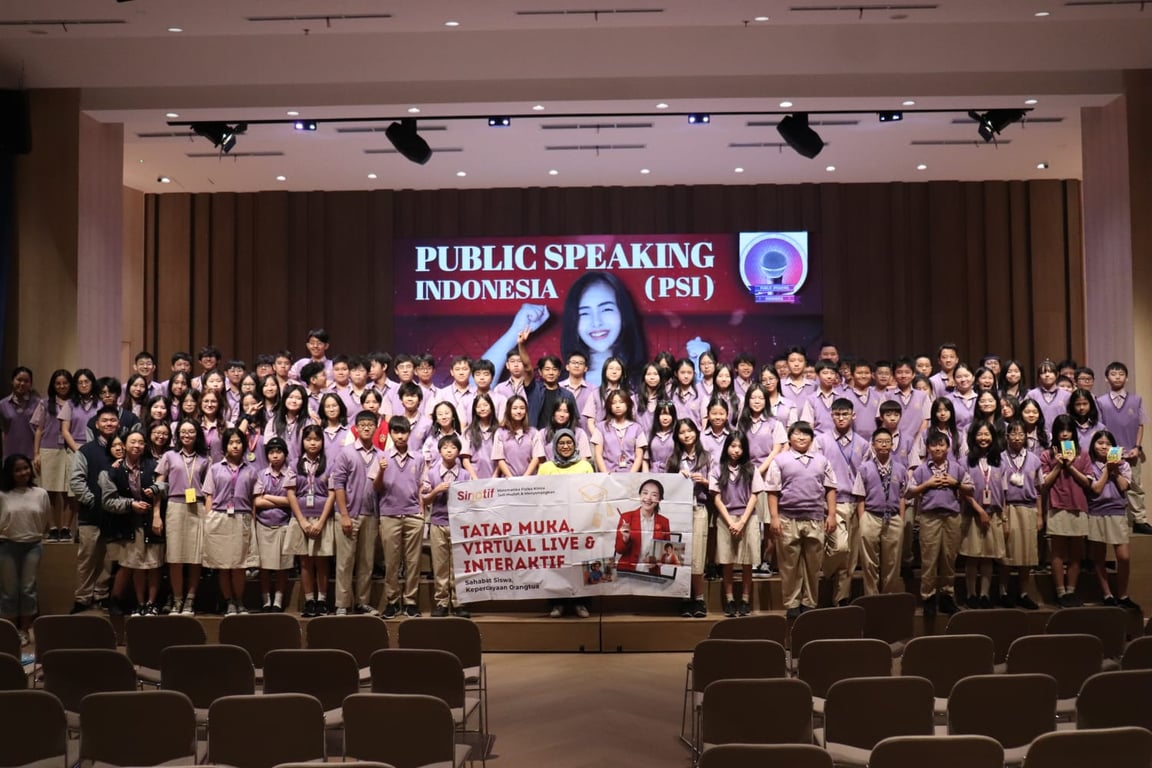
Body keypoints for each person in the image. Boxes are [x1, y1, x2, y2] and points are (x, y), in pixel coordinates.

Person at [765, 422, 838, 618]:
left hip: (815, 518)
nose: (801, 438)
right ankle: (792, 603)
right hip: (788, 518)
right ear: (790, 438)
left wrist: (831, 514)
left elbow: (831, 488)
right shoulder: (780, 460)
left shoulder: (822, 460)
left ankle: (809, 602)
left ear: (812, 438)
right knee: (789, 565)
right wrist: (774, 517)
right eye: (797, 434)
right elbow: (772, 490)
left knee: (814, 565)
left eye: (805, 434)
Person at [99, 428, 165, 615]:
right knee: (132, 564)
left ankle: (151, 603)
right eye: (132, 442)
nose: (136, 445)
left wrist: (157, 487)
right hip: (127, 524)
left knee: (153, 563)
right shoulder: (112, 471)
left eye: (140, 442)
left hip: (151, 521)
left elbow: (165, 485)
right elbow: (108, 501)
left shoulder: (154, 465)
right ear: (124, 445)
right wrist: (131, 504)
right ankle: (134, 602)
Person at [330, 411, 384, 616]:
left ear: (376, 427)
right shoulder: (346, 453)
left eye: (371, 424)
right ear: (356, 428)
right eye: (363, 424)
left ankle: (363, 602)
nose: (367, 428)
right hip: (348, 514)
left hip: (370, 514)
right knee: (345, 561)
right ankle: (342, 603)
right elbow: (338, 485)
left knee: (367, 561)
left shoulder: (381, 455)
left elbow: (380, 487)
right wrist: (344, 515)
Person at [155, 419, 210, 615]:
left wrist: (209, 515)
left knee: (195, 558)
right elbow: (158, 486)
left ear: (197, 435)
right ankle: (177, 599)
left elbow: (210, 490)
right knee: (175, 557)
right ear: (178, 434)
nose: (187, 435)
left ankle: (190, 600)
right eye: (183, 432)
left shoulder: (205, 459)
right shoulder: (169, 456)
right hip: (175, 506)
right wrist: (156, 514)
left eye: (191, 432)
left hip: (198, 507)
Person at [908, 431, 965, 620]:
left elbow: (970, 488)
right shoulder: (922, 470)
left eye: (942, 445)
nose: (938, 448)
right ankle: (928, 597)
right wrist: (928, 484)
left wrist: (954, 483)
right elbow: (909, 492)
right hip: (929, 517)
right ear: (928, 448)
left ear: (948, 448)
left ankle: (947, 596)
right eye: (934, 445)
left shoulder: (956, 468)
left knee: (949, 558)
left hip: (952, 517)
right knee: (929, 559)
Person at [203, 428, 260, 615]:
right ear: (225, 446)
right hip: (219, 517)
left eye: (238, 442)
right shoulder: (215, 468)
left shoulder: (251, 470)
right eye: (231, 442)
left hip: (242, 518)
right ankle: (229, 602)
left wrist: (251, 519)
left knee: (239, 565)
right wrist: (209, 517)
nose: (235, 446)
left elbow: (255, 499)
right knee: (223, 566)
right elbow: (209, 495)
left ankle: (240, 600)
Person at [374, 416, 426, 619]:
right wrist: (381, 470)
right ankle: (393, 601)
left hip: (413, 515)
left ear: (408, 433)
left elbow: (423, 486)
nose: (400, 435)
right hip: (390, 515)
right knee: (391, 562)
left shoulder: (419, 457)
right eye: (396, 432)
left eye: (403, 431)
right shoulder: (382, 457)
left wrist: (421, 512)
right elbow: (376, 488)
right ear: (391, 434)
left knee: (413, 562)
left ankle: (411, 602)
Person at [539, 428, 594, 619]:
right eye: (561, 443)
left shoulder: (586, 466)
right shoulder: (545, 468)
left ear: (575, 444)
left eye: (569, 443)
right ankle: (557, 603)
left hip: (581, 523)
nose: (565, 446)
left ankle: (581, 602)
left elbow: (592, 493)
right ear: (554, 445)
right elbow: (539, 497)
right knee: (556, 564)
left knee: (581, 563)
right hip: (555, 525)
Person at [1083, 429, 1139, 610]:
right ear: (1093, 445)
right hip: (1096, 511)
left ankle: (1122, 594)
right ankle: (1107, 593)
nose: (1104, 447)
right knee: (1098, 556)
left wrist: (1114, 470)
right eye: (1100, 443)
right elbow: (1096, 489)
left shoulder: (1123, 465)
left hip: (1117, 511)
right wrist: (1107, 468)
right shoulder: (1089, 465)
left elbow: (1124, 487)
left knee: (1123, 556)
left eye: (1108, 444)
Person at [710, 431, 764, 616]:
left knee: (748, 562)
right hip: (726, 519)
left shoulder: (751, 469)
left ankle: (746, 600)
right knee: (727, 561)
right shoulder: (717, 469)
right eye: (733, 446)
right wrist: (730, 521)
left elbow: (755, 496)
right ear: (726, 447)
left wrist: (741, 521)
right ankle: (730, 599)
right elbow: (716, 498)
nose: (736, 450)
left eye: (740, 447)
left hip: (747, 518)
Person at [1095, 362, 1152, 535]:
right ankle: (1121, 521)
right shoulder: (1100, 401)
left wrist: (1137, 447)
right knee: (1112, 487)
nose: (1117, 377)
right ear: (1106, 378)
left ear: (1126, 378)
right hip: (1110, 453)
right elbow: (1099, 427)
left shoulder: (1136, 400)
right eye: (1113, 374)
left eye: (1121, 374)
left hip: (1131, 451)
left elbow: (1140, 425)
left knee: (1135, 486)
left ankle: (1139, 520)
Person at [1041, 414, 1091, 607]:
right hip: (1056, 505)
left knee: (1077, 552)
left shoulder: (1082, 454)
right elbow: (1044, 484)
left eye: (1068, 430)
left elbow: (1087, 482)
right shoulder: (1047, 455)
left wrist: (1070, 466)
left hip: (1078, 506)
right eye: (1061, 430)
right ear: (1055, 433)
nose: (1064, 434)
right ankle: (1060, 592)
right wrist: (1059, 464)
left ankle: (1071, 591)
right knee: (1058, 552)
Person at [0, 454, 50, 646]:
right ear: (10, 473)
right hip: (7, 545)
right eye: (18, 470)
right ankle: (10, 630)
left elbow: (45, 519)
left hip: (33, 545)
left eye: (26, 468)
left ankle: (24, 630)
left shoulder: (40, 493)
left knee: (28, 589)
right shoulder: (3, 495)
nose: (23, 473)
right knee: (9, 591)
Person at [286, 424, 336, 617]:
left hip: (322, 518)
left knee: (322, 561)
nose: (312, 443)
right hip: (301, 519)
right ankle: (309, 601)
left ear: (322, 442)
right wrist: (303, 522)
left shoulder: (330, 464)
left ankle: (322, 601)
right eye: (309, 439)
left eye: (316, 439)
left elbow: (332, 494)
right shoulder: (294, 464)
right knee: (305, 561)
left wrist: (321, 522)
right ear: (303, 442)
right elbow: (290, 493)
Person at [420, 434, 471, 618]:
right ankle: (441, 602)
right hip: (437, 523)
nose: (449, 450)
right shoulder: (432, 473)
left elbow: (473, 500)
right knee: (440, 566)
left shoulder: (465, 474)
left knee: (458, 566)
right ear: (439, 451)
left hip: (459, 525)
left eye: (453, 447)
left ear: (458, 451)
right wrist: (436, 490)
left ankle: (459, 603)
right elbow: (424, 500)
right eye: (445, 447)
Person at [852, 428, 907, 595]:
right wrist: (863, 520)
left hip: (893, 518)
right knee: (870, 563)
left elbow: (903, 496)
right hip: (870, 517)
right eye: (880, 441)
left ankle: (889, 597)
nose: (884, 444)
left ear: (892, 444)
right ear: (873, 445)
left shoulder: (900, 469)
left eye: (887, 441)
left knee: (892, 562)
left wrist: (902, 520)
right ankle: (872, 597)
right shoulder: (865, 468)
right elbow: (860, 497)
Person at [959, 422, 1007, 609]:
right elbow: (963, 491)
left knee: (988, 556)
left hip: (993, 513)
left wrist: (1003, 517)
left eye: (987, 434)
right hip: (972, 514)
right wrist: (979, 511)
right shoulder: (965, 462)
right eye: (980, 434)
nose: (983, 438)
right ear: (973, 437)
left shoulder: (1000, 461)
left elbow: (1004, 491)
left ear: (993, 437)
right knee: (972, 557)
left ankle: (984, 595)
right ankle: (971, 593)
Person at [998, 419, 1044, 609]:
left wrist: (1040, 515)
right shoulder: (1000, 458)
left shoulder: (1034, 459)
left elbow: (1039, 489)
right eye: (1013, 433)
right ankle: (1003, 591)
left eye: (1020, 434)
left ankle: (1023, 593)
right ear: (1007, 437)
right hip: (1008, 507)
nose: (1017, 437)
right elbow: (997, 490)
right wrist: (1003, 515)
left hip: (1029, 508)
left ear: (1026, 436)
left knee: (1027, 554)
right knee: (1007, 554)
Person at [668, 418, 711, 618]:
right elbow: (666, 488)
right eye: (682, 432)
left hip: (699, 508)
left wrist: (705, 481)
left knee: (697, 557)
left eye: (690, 431)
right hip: (679, 511)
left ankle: (699, 599)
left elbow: (718, 485)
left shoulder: (706, 457)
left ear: (696, 432)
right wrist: (677, 476)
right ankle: (684, 598)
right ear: (677, 436)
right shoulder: (674, 459)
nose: (686, 435)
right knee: (680, 555)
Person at [32, 370, 79, 541]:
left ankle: (66, 528)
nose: (62, 386)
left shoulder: (76, 403)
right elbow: (38, 429)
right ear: (53, 385)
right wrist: (36, 453)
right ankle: (52, 527)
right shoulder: (45, 403)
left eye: (65, 383)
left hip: (70, 449)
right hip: (49, 449)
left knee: (70, 492)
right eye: (58, 383)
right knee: (49, 491)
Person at [253, 437, 294, 612]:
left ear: (285, 454)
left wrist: (268, 496)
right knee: (264, 567)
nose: (275, 456)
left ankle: (278, 600)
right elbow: (257, 502)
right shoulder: (261, 474)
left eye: (278, 452)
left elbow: (292, 502)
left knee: (282, 567)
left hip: (284, 524)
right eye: (271, 452)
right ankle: (265, 600)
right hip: (263, 525)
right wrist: (282, 501)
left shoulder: (291, 473)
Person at [614, 478, 670, 572]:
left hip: (652, 574)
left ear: (660, 499)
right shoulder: (626, 517)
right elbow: (619, 550)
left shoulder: (664, 521)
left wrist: (657, 560)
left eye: (654, 495)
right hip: (628, 572)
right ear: (640, 495)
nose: (648, 498)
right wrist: (625, 538)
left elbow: (667, 552)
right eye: (645, 493)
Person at [593, 390, 647, 474]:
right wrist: (605, 474)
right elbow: (598, 454)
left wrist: (631, 475)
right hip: (608, 475)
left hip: (631, 475)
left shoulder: (637, 428)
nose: (617, 406)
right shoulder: (600, 427)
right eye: (613, 403)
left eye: (621, 402)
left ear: (628, 404)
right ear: (609, 406)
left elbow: (639, 455)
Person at [1, 367, 40, 463]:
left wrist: (37, 454)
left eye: (26, 381)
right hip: (10, 455)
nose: (22, 384)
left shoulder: (38, 404)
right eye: (19, 380)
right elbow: (3, 431)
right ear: (12, 381)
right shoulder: (2, 404)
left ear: (30, 384)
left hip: (32, 456)